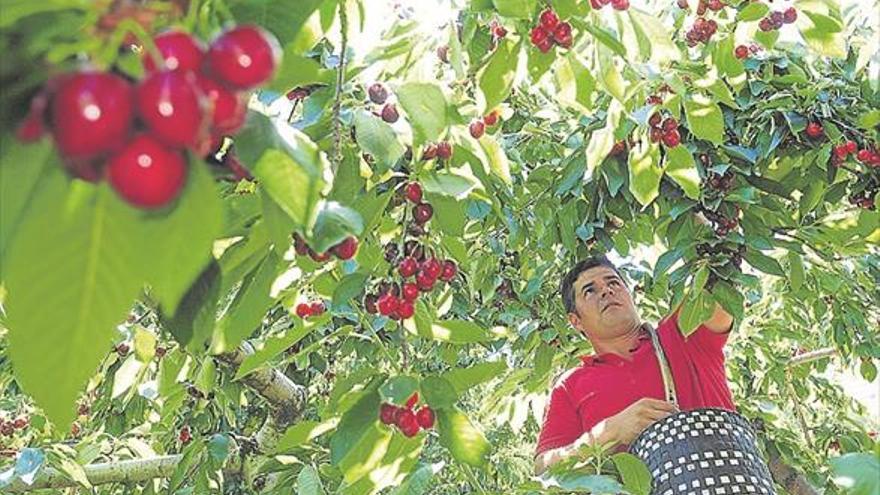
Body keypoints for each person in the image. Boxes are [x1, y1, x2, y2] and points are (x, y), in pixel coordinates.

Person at [534, 255, 736, 475]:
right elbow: (543, 469)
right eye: (590, 290)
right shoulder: (570, 385)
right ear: (576, 321)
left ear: (630, 295)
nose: (607, 291)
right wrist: (609, 433)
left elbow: (720, 281)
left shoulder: (681, 332)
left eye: (614, 283)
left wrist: (702, 231)